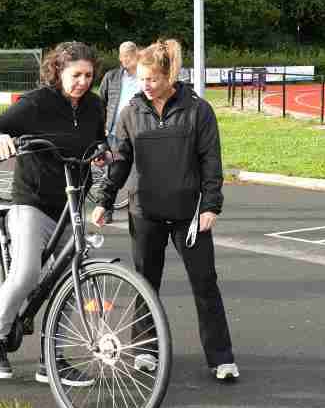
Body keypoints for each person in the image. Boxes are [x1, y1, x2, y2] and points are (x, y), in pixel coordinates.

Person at [91, 39, 239, 382]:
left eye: (153, 79)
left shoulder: (198, 110)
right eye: (142, 79)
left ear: (169, 76)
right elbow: (120, 162)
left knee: (205, 284)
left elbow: (210, 160)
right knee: (146, 283)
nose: (146, 85)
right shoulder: (131, 112)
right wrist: (103, 200)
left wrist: (211, 205)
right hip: (146, 212)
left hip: (189, 214)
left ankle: (221, 358)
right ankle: (146, 350)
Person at [0, 41, 105, 381]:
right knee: (27, 273)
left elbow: (98, 138)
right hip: (32, 201)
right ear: (58, 72)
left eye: (88, 75)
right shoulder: (36, 103)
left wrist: (103, 151)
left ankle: (52, 359)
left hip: (70, 204)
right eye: (76, 75)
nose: (83, 82)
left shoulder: (94, 105)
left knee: (70, 279)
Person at [98, 41, 140, 144]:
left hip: (137, 133)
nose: (126, 58)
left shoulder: (145, 77)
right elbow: (100, 103)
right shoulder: (111, 76)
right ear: (120, 57)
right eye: (123, 55)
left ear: (137, 55)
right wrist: (103, 125)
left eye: (129, 55)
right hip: (113, 134)